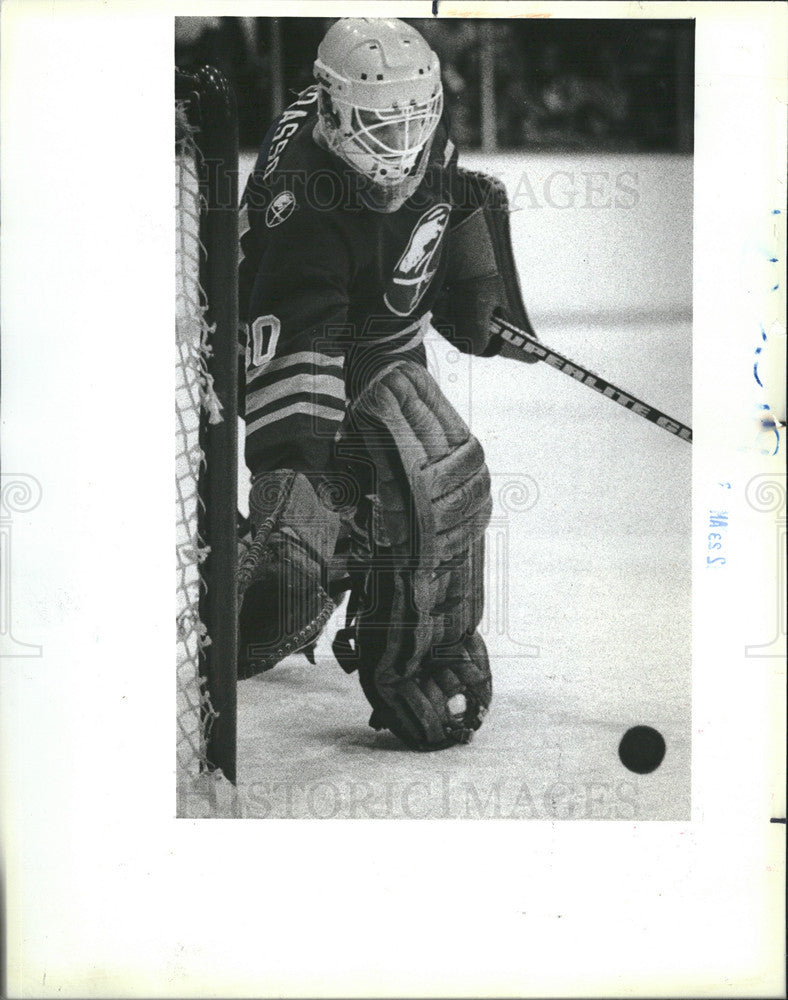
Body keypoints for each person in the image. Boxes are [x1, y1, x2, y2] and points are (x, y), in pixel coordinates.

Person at [236, 17, 537, 750]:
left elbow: (451, 190)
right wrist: (302, 490)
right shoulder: (304, 201)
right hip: (310, 323)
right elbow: (296, 345)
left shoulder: (421, 127)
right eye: (376, 126)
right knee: (338, 513)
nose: (398, 148)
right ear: (333, 111)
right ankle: (292, 580)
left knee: (445, 474)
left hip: (377, 325)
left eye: (412, 121)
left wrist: (474, 276)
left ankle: (411, 618)